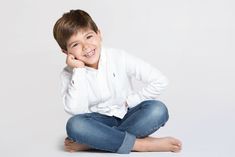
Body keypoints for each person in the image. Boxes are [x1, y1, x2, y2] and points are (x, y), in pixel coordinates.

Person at [53, 9, 182, 154]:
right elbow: (76, 111)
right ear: (66, 52)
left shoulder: (119, 57)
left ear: (99, 34)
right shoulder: (69, 74)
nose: (86, 47)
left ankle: (94, 143)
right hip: (98, 122)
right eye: (75, 45)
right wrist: (79, 70)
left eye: (89, 37)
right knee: (75, 125)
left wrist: (131, 101)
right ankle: (141, 145)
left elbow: (160, 80)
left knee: (158, 109)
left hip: (127, 114)